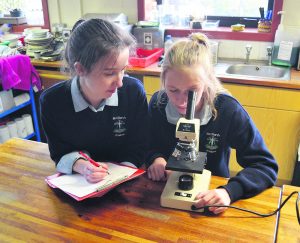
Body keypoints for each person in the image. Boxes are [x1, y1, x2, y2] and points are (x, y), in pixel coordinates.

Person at [146, 33, 278, 214]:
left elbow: (265, 165)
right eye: (173, 90)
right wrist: (155, 157)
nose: (182, 101)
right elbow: (147, 143)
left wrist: (229, 191)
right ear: (163, 82)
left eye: (192, 91)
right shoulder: (158, 104)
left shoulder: (227, 110)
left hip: (210, 195)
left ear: (207, 81)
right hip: (162, 193)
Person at [40, 18, 148, 183]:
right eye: (109, 73)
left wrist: (121, 173)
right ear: (80, 69)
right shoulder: (52, 102)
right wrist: (82, 166)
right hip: (80, 184)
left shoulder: (132, 93)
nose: (119, 82)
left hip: (126, 182)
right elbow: (59, 152)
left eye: (123, 70)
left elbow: (139, 145)